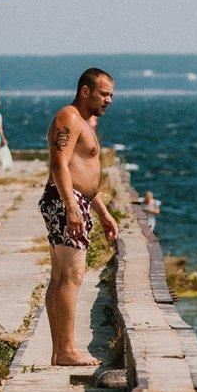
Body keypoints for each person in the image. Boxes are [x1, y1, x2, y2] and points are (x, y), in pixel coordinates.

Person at [41, 67, 118, 367]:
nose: (109, 100)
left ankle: (60, 350)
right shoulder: (69, 118)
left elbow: (81, 175)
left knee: (60, 276)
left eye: (111, 94)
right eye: (104, 93)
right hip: (65, 201)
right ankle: (67, 349)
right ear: (86, 91)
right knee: (71, 276)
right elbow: (59, 164)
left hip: (73, 200)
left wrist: (103, 213)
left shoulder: (82, 122)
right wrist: (71, 208)